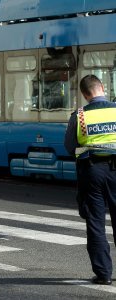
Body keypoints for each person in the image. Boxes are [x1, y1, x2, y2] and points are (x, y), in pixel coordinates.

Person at [64, 74, 116, 285]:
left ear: (85, 94)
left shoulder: (80, 116)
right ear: (102, 87)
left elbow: (70, 146)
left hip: (92, 171)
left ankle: (103, 274)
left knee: (96, 223)